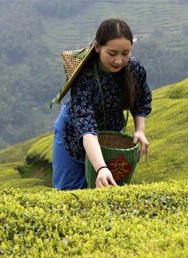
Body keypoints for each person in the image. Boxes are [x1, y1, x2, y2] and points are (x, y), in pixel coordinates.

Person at [52, 19, 152, 190]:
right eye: (112, 54)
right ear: (97, 47)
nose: (119, 61)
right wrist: (101, 167)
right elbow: (86, 126)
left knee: (108, 189)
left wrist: (140, 130)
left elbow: (141, 101)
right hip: (74, 133)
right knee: (70, 191)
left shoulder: (135, 69)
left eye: (125, 53)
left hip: (111, 133)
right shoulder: (85, 75)